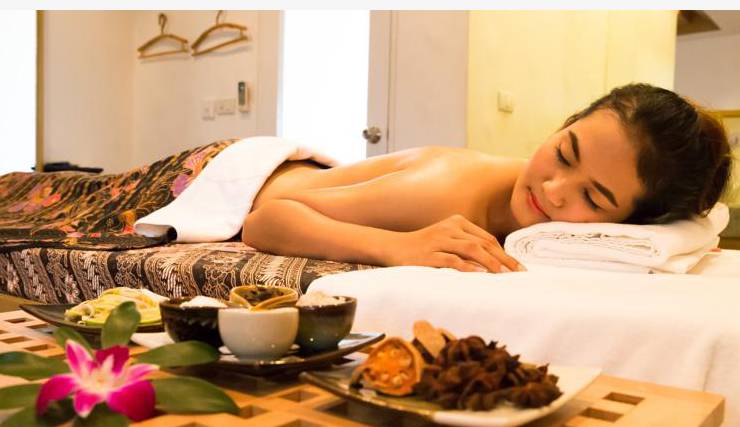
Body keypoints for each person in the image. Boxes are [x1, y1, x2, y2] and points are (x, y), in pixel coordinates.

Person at [242, 83, 733, 273]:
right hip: (236, 172)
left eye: (594, 197)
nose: (553, 190)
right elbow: (265, 220)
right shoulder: (443, 192)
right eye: (564, 154)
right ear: (563, 126)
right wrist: (397, 246)